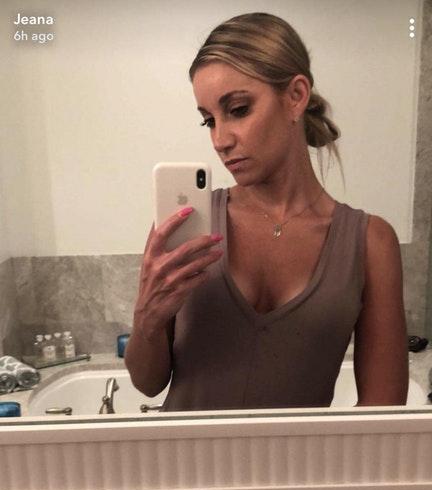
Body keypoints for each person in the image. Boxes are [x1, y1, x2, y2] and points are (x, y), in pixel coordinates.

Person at [125, 12, 408, 410]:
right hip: (183, 452)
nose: (220, 139)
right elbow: (147, 383)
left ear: (296, 96)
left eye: (238, 109)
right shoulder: (185, 224)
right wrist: (147, 320)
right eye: (208, 121)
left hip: (300, 456)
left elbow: (382, 412)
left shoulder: (369, 243)